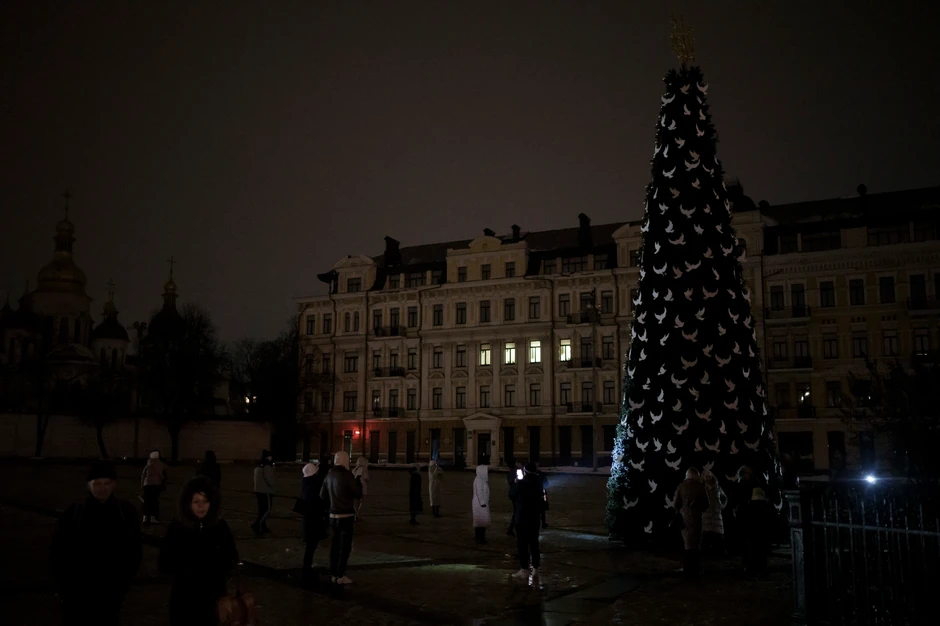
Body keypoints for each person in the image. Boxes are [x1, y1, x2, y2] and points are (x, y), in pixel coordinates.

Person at [50, 460, 142, 626]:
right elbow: (58, 551)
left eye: (107, 483)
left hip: (111, 592)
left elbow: (134, 550)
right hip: (77, 592)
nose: (102, 488)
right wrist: (66, 586)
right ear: (89, 485)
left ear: (114, 484)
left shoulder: (125, 512)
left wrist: (122, 583)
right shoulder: (74, 513)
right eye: (97, 483)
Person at [159, 476, 239, 626]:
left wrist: (215, 565)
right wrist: (188, 567)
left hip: (214, 598)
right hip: (184, 599)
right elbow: (164, 563)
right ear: (188, 503)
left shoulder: (219, 526)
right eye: (196, 501)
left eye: (205, 501)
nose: (201, 506)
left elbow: (231, 557)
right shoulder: (177, 528)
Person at [319, 451, 362, 585]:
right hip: (346, 515)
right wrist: (358, 482)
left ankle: (333, 573)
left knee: (335, 545)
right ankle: (340, 574)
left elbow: (322, 495)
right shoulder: (347, 475)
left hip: (333, 515)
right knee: (345, 546)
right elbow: (357, 493)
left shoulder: (329, 474)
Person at [510, 463, 544, 579]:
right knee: (534, 543)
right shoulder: (539, 482)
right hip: (534, 518)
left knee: (522, 544)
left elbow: (511, 495)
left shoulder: (521, 483)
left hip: (522, 518)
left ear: (525, 472)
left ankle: (524, 569)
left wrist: (515, 482)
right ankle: (536, 568)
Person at [673, 468, 709, 578]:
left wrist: (681, 510)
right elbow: (706, 504)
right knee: (696, 544)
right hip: (696, 517)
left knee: (687, 544)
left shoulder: (681, 486)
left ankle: (687, 568)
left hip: (684, 518)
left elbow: (675, 503)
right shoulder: (700, 487)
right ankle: (695, 569)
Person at [300, 462, 328, 580]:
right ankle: (306, 569)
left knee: (310, 547)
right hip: (312, 522)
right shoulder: (312, 487)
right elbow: (316, 504)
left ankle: (307, 568)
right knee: (310, 547)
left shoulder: (306, 485)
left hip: (309, 522)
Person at [740, 487, 774, 578]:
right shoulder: (766, 506)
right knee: (762, 552)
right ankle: (762, 569)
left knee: (752, 551)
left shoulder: (748, 506)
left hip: (752, 534)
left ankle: (752, 569)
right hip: (763, 534)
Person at [701, 470, 728, 555]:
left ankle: (720, 552)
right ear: (703, 477)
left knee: (718, 533)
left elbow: (724, 498)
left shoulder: (717, 488)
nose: (708, 477)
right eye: (706, 475)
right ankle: (706, 553)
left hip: (716, 513)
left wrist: (721, 506)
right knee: (706, 534)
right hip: (706, 514)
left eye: (709, 475)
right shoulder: (701, 488)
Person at [251, 449, 275, 535]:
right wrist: (273, 488)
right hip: (265, 491)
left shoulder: (258, 466)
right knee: (267, 509)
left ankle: (263, 526)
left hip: (258, 490)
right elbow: (269, 479)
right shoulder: (267, 466)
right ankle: (257, 524)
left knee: (262, 509)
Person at [141, 449, 168, 524]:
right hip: (156, 484)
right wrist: (162, 478)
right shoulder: (160, 463)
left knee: (146, 501)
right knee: (154, 501)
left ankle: (145, 518)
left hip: (147, 484)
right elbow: (161, 472)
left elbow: (143, 474)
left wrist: (142, 484)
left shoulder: (148, 463)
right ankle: (153, 518)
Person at [472, 464, 491, 543]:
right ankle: (481, 538)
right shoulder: (479, 480)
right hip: (480, 504)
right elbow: (479, 492)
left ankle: (478, 537)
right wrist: (482, 502)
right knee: (481, 521)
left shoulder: (481, 479)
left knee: (480, 521)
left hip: (481, 503)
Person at [507, 461, 521, 536]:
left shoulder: (511, 472)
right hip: (516, 494)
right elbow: (518, 481)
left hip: (513, 493)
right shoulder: (516, 472)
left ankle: (511, 528)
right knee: (517, 511)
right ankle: (512, 527)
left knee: (516, 511)